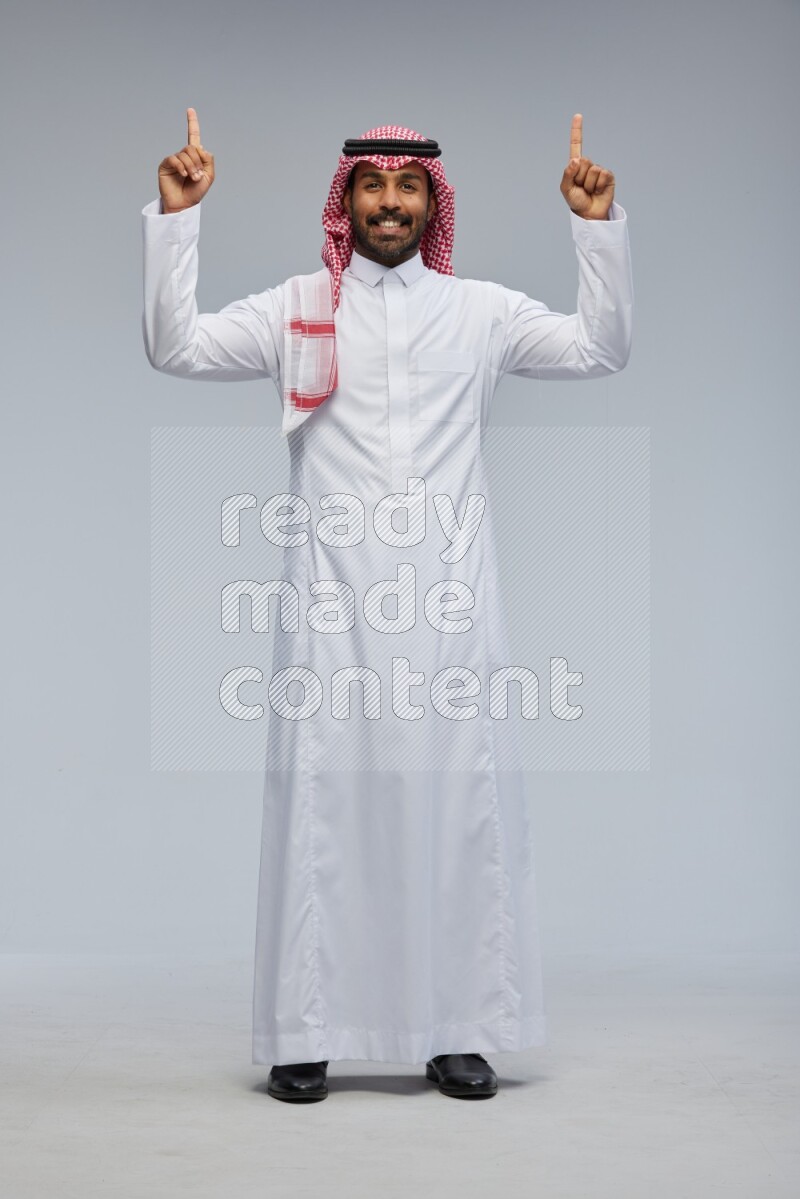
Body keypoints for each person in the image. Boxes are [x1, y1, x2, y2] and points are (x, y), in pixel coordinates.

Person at [141, 109, 633, 1103]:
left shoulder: (480, 312)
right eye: (372, 185)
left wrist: (595, 230)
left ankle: (456, 1030)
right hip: (328, 611)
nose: (391, 202)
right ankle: (304, 1029)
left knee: (456, 815)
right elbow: (175, 347)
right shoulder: (294, 308)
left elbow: (600, 349)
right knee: (324, 809)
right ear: (346, 199)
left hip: (451, 613)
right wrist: (175, 219)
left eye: (408, 187)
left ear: (431, 202)